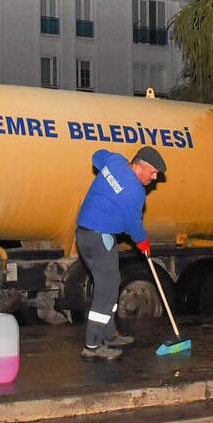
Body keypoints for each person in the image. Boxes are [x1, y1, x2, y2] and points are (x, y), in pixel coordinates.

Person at [73, 145, 167, 361]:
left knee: (112, 282)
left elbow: (97, 156)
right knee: (106, 290)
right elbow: (132, 224)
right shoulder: (135, 192)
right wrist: (142, 242)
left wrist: (112, 172)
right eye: (152, 172)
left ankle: (109, 333)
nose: (154, 178)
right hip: (98, 238)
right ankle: (93, 345)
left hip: (86, 234)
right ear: (140, 165)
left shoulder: (115, 162)